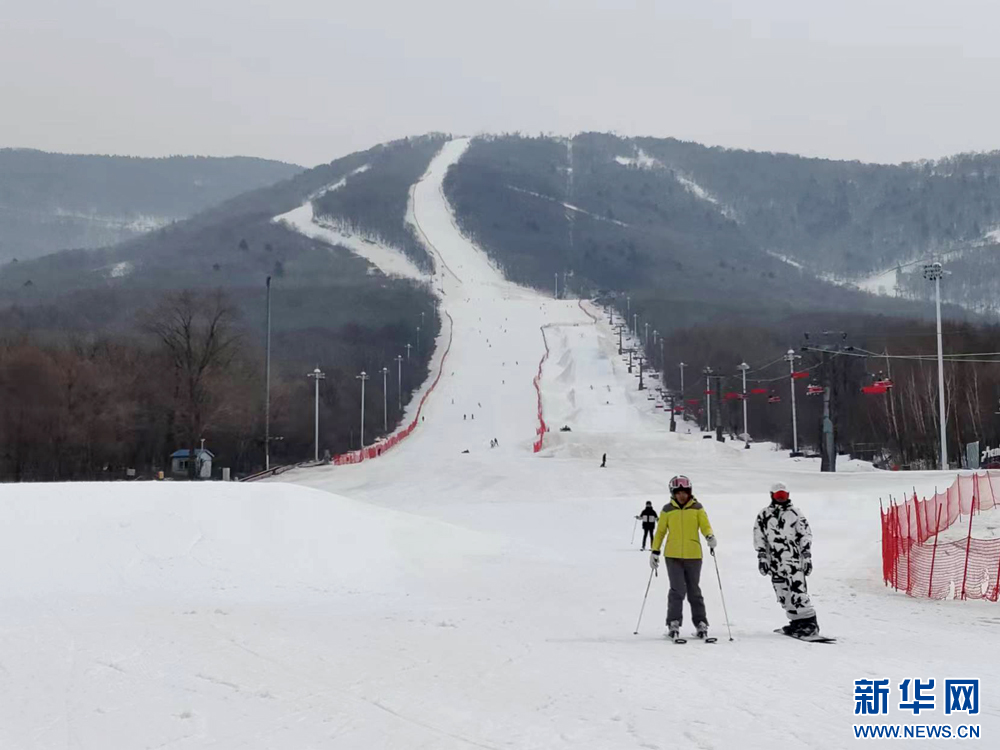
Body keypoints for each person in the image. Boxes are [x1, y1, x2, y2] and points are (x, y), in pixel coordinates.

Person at [649, 475, 716, 639]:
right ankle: (674, 622)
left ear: (689, 492)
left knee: (694, 590)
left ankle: (701, 623)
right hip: (672, 556)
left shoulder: (697, 508)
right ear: (673, 493)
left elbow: (705, 525)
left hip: (693, 555)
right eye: (678, 492)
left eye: (685, 492)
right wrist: (655, 551)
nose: (682, 495)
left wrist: (709, 537)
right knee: (677, 590)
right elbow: (660, 532)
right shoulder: (667, 510)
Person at [753, 482, 819, 637]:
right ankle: (796, 622)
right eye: (778, 496)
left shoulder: (795, 514)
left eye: (783, 496)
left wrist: (807, 555)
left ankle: (809, 622)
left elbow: (805, 534)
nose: (781, 499)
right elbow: (759, 536)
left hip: (794, 560)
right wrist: (762, 556)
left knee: (798, 591)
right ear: (772, 496)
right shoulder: (764, 515)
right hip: (775, 561)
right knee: (782, 592)